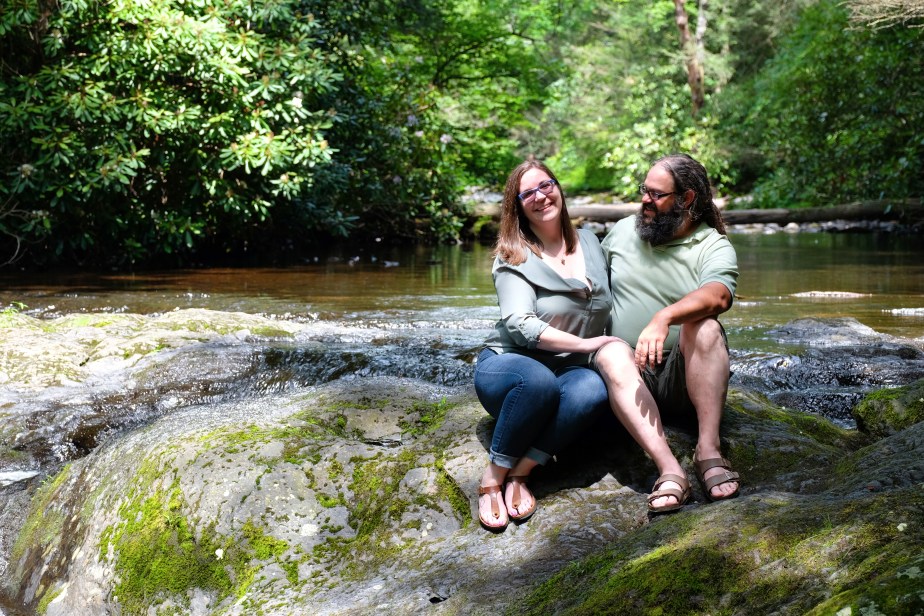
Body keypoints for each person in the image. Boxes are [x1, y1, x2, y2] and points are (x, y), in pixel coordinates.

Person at [474, 159, 623, 531]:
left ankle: (522, 473)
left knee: (593, 388)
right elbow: (519, 324)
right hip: (509, 366)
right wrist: (588, 343)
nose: (541, 197)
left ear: (558, 187)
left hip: (570, 369)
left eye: (546, 185)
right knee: (539, 382)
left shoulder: (590, 242)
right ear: (518, 207)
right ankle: (493, 478)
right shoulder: (514, 254)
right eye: (528, 193)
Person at [594, 153, 740, 514]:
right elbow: (588, 286)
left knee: (705, 326)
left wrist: (665, 317)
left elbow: (719, 295)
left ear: (686, 199)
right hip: (630, 377)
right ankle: (670, 470)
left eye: (656, 194)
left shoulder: (712, 245)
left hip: (684, 380)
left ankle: (708, 450)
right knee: (610, 350)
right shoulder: (623, 232)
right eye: (644, 189)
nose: (645, 199)